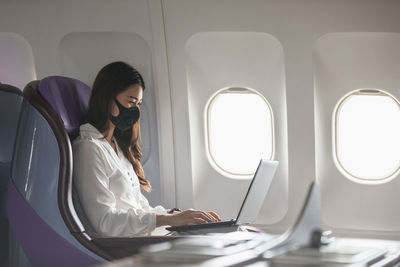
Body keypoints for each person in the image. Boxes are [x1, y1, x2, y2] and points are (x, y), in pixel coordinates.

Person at [73, 61, 221, 237]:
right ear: (107, 98)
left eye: (139, 104)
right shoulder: (89, 148)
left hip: (141, 238)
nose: (135, 111)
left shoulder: (116, 146)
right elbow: (105, 223)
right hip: (123, 246)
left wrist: (178, 216)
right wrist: (168, 221)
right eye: (131, 102)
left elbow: (138, 207)